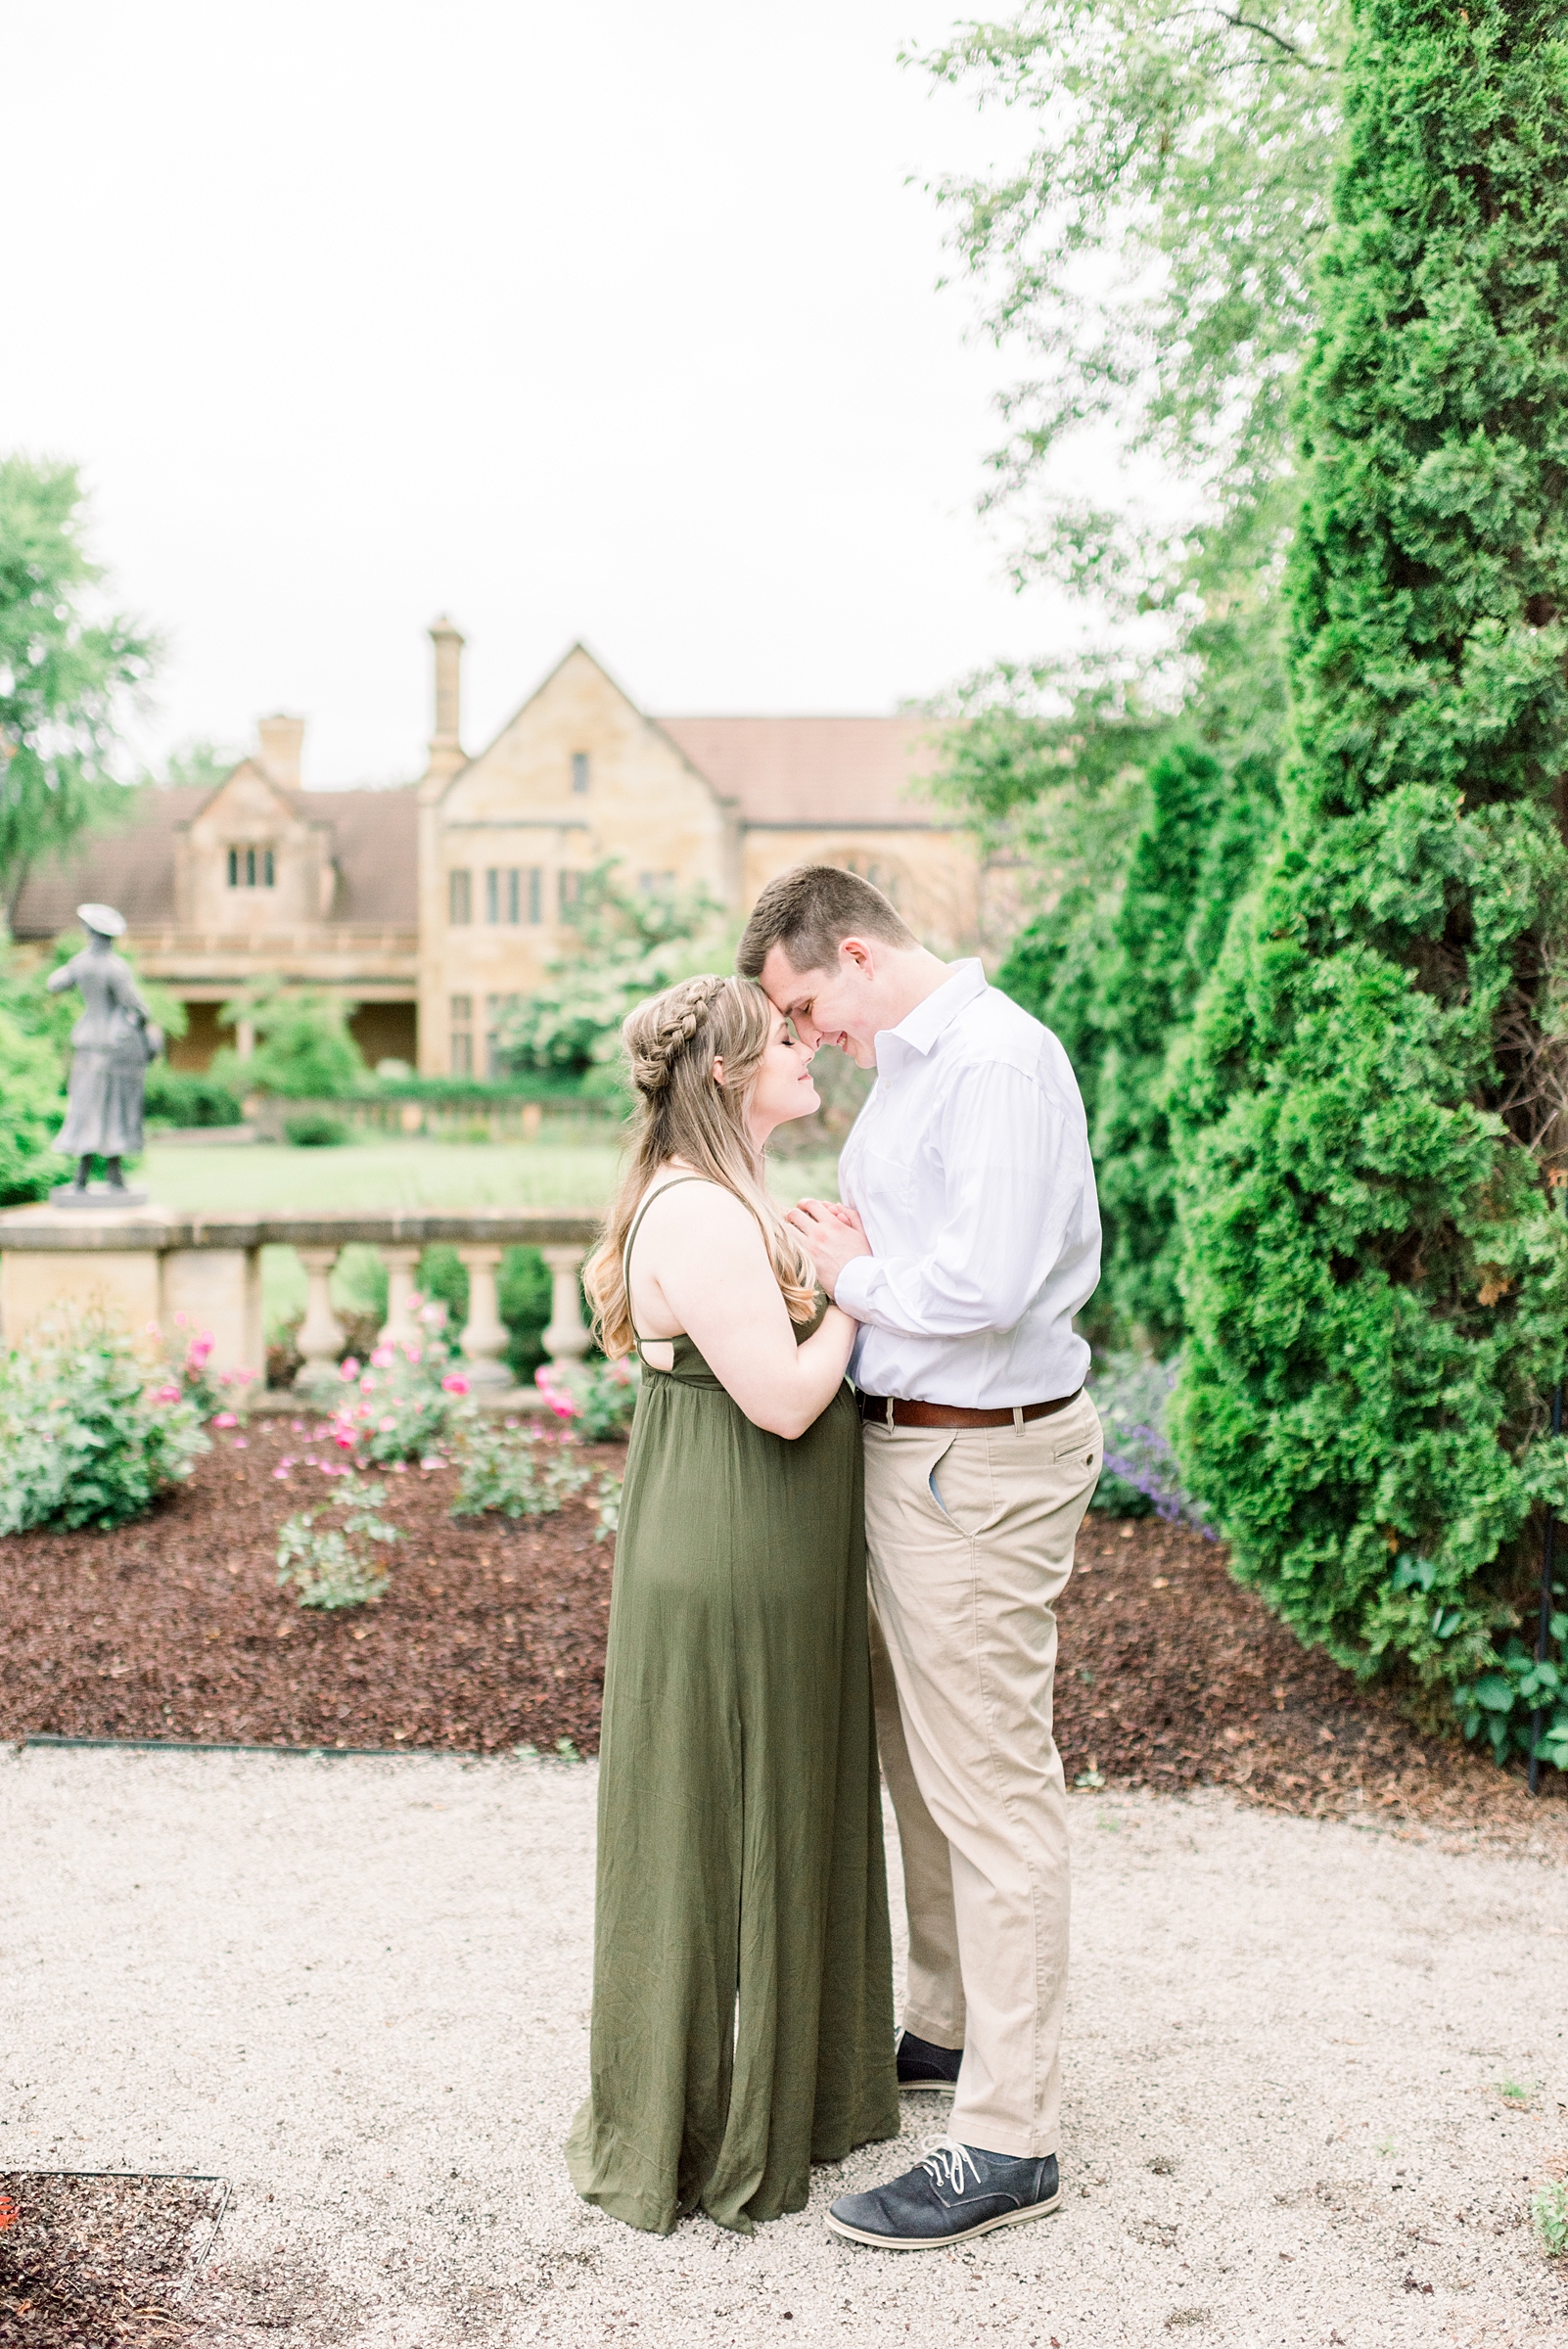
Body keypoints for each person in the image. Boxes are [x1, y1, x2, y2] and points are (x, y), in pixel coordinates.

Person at [738, 865, 1102, 2252]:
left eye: (803, 1003)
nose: (805, 1033)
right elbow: (925, 1247)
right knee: (921, 1767)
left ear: (849, 948)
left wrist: (844, 1275)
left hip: (980, 1459)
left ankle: (1009, 2142)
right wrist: (851, 1250)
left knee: (992, 1785)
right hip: (908, 1449)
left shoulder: (997, 1062)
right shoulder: (906, 1067)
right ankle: (948, 2030)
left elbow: (987, 1283)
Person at [565, 973, 899, 2236]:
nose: (807, 1049)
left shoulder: (728, 1193)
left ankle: (795, 2084)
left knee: (765, 1805)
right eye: (781, 1043)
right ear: (725, 1075)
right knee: (728, 1819)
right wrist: (855, 1295)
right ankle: (706, 2125)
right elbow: (783, 1398)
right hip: (733, 1550)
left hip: (760, 1546)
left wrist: (821, 1256)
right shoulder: (699, 1213)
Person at [48, 902, 162, 1197]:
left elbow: (54, 983)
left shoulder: (80, 963)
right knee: (113, 1109)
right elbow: (135, 1006)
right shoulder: (115, 968)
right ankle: (113, 1176)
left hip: (87, 1043)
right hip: (113, 1047)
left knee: (86, 1107)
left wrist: (75, 969)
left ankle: (81, 1178)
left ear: (89, 933)